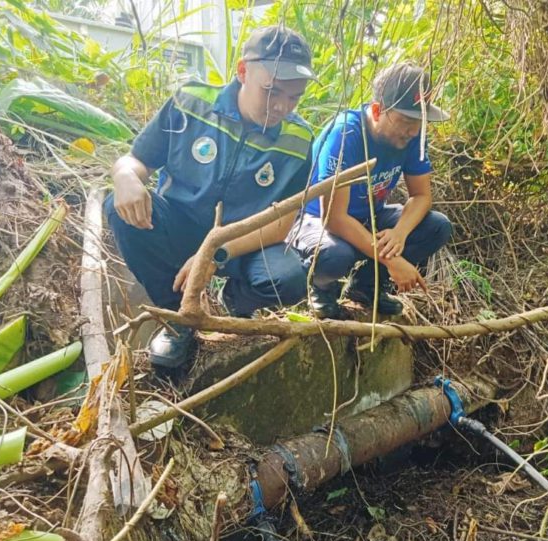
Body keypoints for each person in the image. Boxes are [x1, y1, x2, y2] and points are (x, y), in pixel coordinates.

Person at [106, 26, 316, 368]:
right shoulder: (190, 103)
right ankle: (179, 316)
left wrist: (214, 255)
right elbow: (136, 160)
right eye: (272, 91)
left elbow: (281, 225)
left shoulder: (298, 139)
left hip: (242, 243)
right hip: (180, 226)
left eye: (294, 97)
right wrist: (125, 175)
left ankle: (235, 299)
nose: (281, 106)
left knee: (289, 280)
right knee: (116, 210)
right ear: (243, 71)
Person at [292, 63, 453, 319]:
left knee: (437, 226)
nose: (413, 131)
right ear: (378, 110)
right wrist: (392, 260)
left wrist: (399, 234)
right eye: (406, 121)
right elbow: (332, 218)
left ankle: (366, 287)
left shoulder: (413, 137)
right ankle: (322, 288)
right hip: (316, 220)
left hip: (368, 216)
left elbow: (421, 196)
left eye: (420, 121)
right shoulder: (346, 134)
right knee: (335, 255)